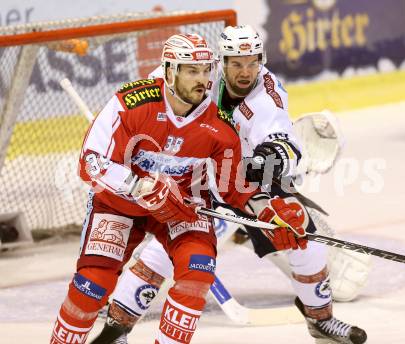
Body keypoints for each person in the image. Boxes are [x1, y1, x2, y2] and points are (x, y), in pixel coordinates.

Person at [90, 27, 367, 344]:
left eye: (252, 63)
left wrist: (260, 165)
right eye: (236, 63)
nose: (245, 72)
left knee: (303, 233)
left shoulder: (267, 96)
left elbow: (283, 147)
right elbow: (148, 100)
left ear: (261, 61)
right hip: (195, 174)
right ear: (222, 62)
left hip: (244, 179)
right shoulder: (195, 74)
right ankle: (116, 329)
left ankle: (321, 321)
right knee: (164, 252)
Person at [49, 32, 308, 344]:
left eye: (206, 71)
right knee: (92, 284)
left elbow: (235, 188)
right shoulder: (131, 103)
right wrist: (139, 185)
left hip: (181, 207)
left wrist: (269, 212)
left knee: (197, 273)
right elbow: (90, 163)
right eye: (191, 71)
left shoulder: (220, 126)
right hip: (119, 204)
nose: (202, 80)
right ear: (170, 71)